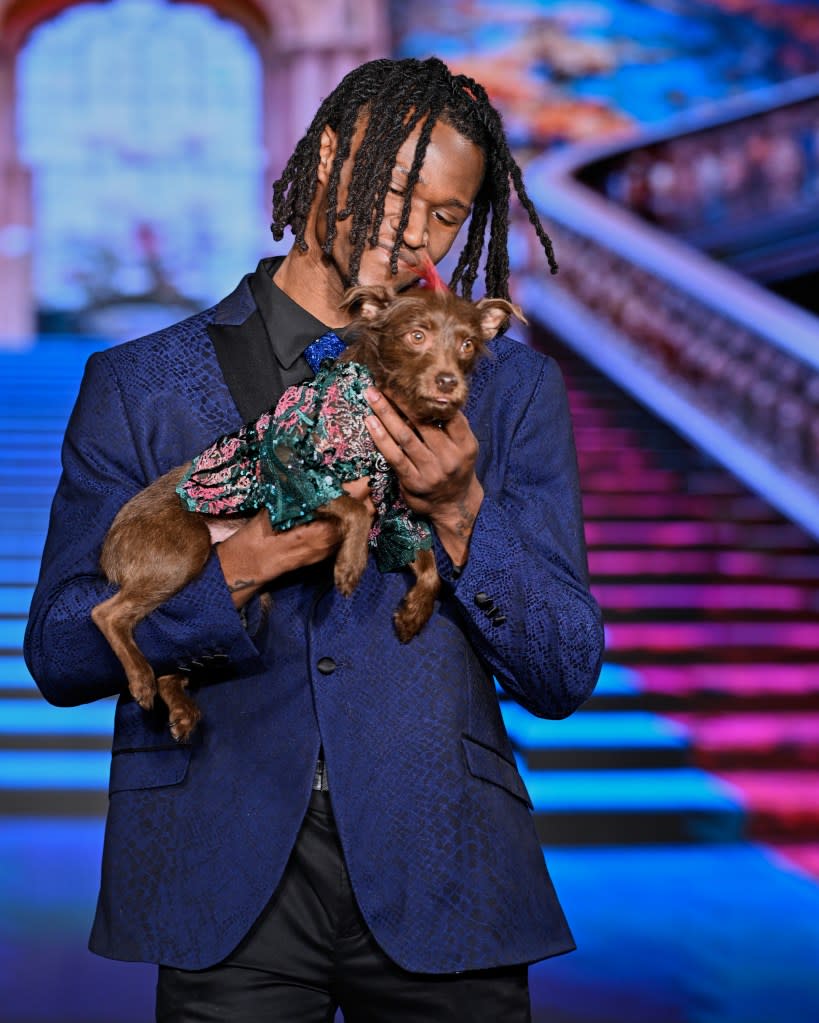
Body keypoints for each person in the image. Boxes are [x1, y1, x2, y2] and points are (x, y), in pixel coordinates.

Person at [25, 56, 605, 1022]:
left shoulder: (507, 390)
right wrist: (240, 565)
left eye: (447, 214)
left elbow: (564, 667)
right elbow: (60, 649)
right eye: (393, 189)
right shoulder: (140, 384)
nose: (412, 230)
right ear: (328, 154)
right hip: (223, 871)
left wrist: (460, 510)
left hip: (447, 871)